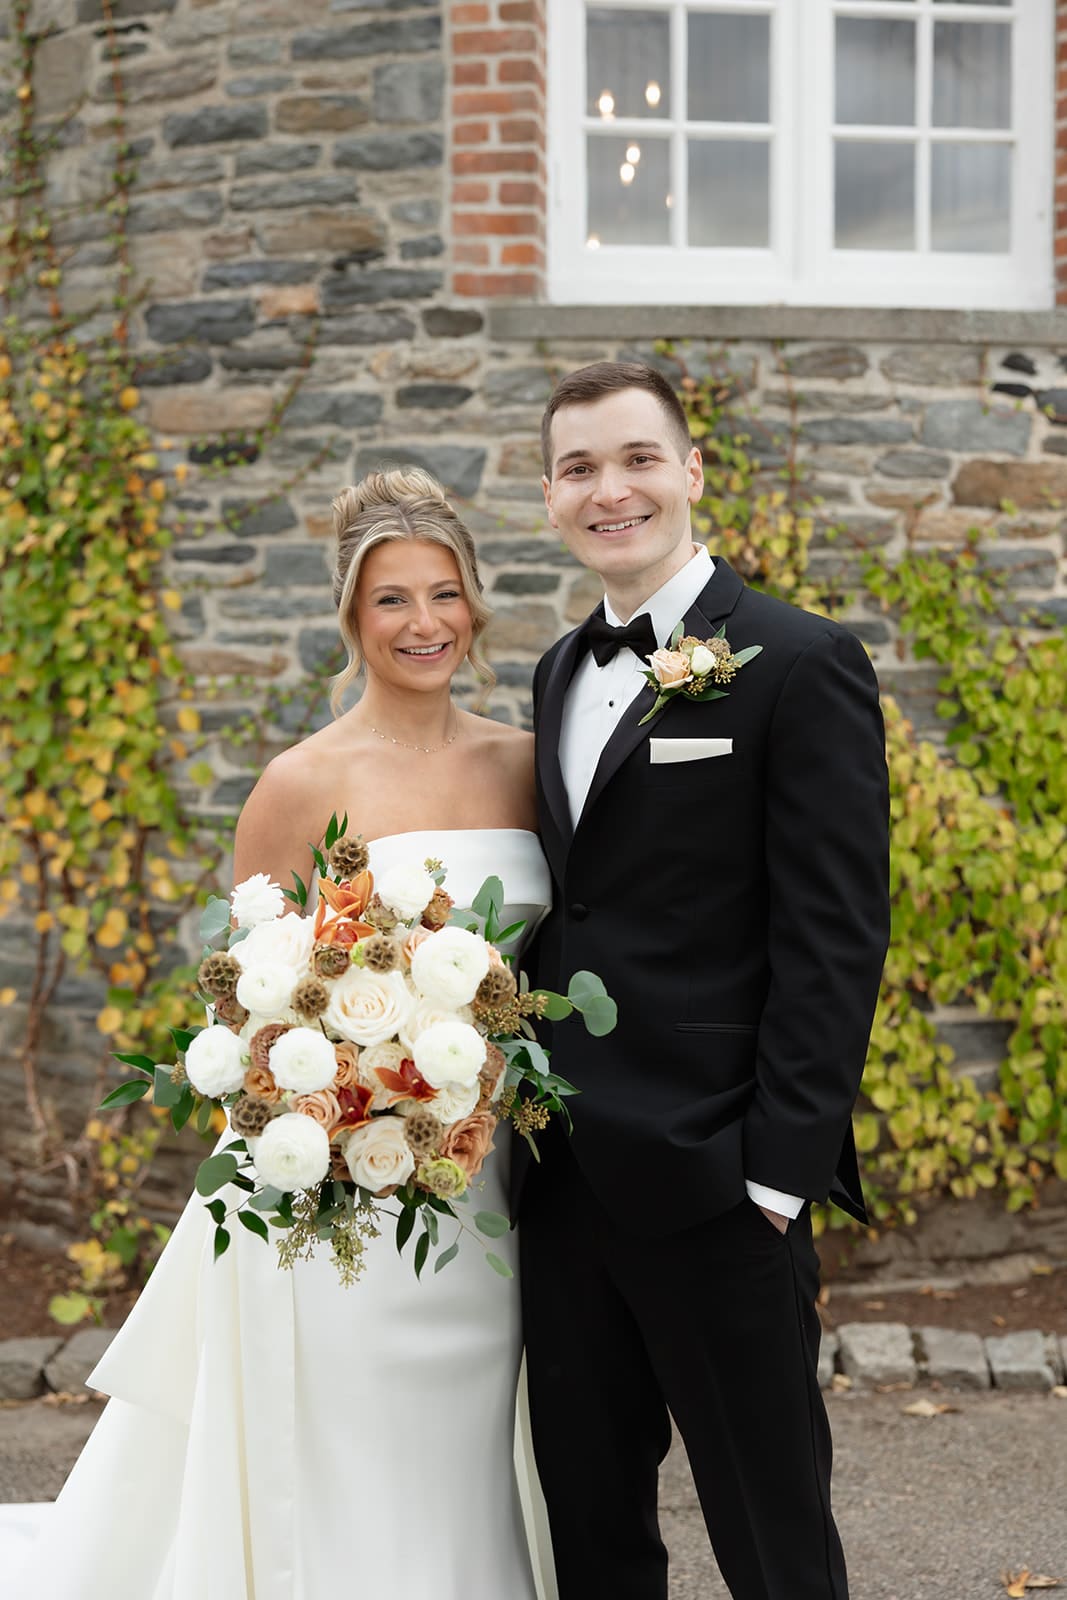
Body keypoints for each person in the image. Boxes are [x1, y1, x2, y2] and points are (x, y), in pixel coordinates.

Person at [8, 467, 555, 1600]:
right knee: (340, 1424)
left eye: (444, 594)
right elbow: (249, 996)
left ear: (475, 607)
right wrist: (347, 1099)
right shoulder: (300, 783)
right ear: (352, 617)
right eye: (393, 599)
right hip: (334, 1183)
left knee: (463, 1424)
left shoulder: (522, 764)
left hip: (485, 1173)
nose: (424, 623)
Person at [517, 361, 891, 1600]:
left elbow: (834, 937)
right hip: (563, 1182)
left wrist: (775, 1178)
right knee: (594, 1536)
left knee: (774, 1546)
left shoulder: (797, 660)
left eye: (634, 458)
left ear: (687, 471)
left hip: (719, 1181)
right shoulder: (558, 670)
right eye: (578, 467)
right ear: (550, 494)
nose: (607, 489)